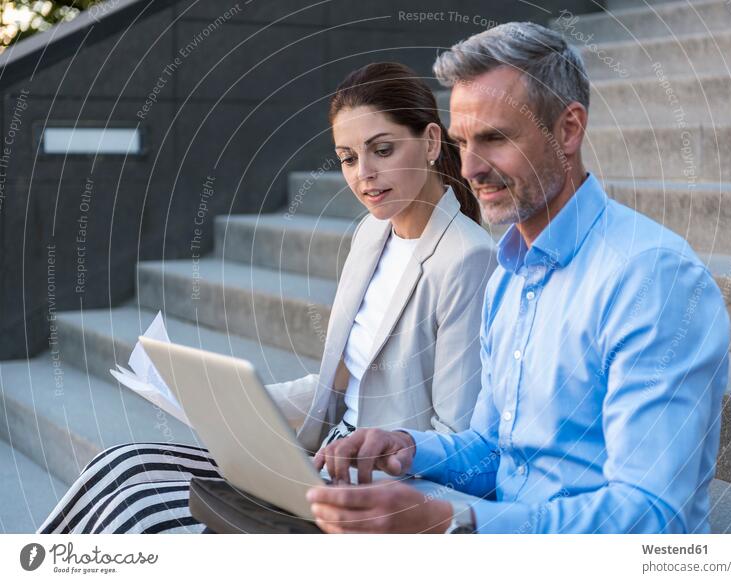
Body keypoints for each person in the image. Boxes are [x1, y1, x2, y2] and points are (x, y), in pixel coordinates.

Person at [307, 22, 731, 534]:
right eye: (463, 142)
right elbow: (495, 451)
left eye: (495, 138)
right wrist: (409, 446)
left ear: (569, 129)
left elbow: (650, 515)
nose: (471, 168)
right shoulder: (509, 277)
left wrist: (454, 523)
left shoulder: (652, 279)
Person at [38, 62, 497, 534]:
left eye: (382, 150)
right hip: (317, 460)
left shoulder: (467, 259)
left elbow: (458, 441)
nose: (365, 175)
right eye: (347, 157)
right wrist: (231, 402)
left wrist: (362, 471)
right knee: (123, 466)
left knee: (141, 509)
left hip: (373, 490)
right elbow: (338, 387)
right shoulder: (371, 233)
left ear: (431, 142)